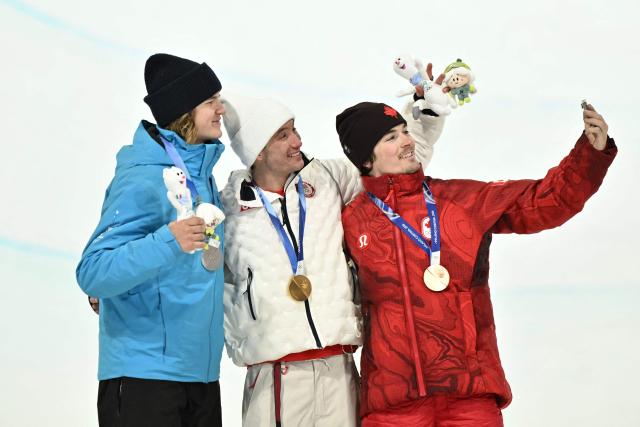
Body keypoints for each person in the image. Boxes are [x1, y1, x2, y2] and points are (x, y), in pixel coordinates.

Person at [336, 101, 616, 426]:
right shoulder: (351, 221)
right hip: (392, 404)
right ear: (366, 159)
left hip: (469, 397)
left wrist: (588, 155)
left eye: (404, 132)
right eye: (391, 138)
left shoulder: (460, 201)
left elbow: (545, 201)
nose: (408, 141)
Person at [220, 94, 445, 426]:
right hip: (275, 374)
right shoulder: (226, 209)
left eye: (294, 129)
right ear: (258, 151)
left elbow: (395, 165)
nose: (298, 141)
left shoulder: (327, 179)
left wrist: (427, 119)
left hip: (339, 369)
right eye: (283, 135)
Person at [76, 53, 226, 427]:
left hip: (200, 377)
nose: (221, 109)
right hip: (146, 378)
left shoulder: (203, 177)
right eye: (210, 101)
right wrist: (168, 241)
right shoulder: (142, 176)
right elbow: (93, 271)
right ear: (184, 111)